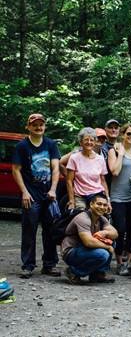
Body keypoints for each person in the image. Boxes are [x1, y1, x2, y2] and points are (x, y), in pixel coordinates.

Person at [12, 113, 61, 278]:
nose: (38, 127)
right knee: (29, 230)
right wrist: (24, 192)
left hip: (48, 195)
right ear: (28, 127)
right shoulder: (22, 146)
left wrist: (53, 189)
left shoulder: (50, 144)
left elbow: (55, 168)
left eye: (41, 124)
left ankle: (49, 264)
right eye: (35, 124)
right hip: (31, 196)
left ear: (44, 126)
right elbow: (16, 170)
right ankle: (28, 265)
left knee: (50, 230)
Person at [107, 123, 131, 275]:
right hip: (118, 197)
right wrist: (120, 153)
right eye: (128, 134)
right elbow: (114, 171)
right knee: (119, 229)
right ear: (122, 135)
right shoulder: (113, 151)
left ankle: (129, 262)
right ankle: (119, 262)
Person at [61, 194, 118, 284]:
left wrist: (105, 232)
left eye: (104, 205)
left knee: (111, 241)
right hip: (71, 251)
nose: (102, 207)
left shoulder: (102, 219)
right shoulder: (83, 218)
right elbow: (88, 242)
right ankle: (73, 272)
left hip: (84, 249)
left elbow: (115, 233)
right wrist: (107, 247)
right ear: (91, 204)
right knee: (103, 254)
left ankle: (98, 274)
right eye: (99, 204)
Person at [66, 127, 111, 211]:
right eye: (86, 140)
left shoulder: (100, 159)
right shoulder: (74, 158)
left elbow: (103, 180)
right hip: (80, 196)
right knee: (81, 218)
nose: (89, 142)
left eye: (92, 140)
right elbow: (69, 181)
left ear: (95, 142)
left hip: (97, 194)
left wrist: (108, 200)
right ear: (81, 142)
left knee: (100, 219)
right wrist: (71, 201)